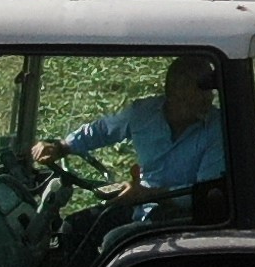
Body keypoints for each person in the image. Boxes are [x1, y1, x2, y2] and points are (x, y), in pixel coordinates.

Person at [36, 52, 226, 217]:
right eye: (200, 89)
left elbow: (206, 194)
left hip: (184, 219)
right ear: (174, 91)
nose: (208, 97)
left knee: (112, 239)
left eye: (210, 90)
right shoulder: (144, 113)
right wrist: (62, 147)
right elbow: (102, 130)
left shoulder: (217, 129)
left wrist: (148, 194)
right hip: (141, 206)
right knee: (74, 227)